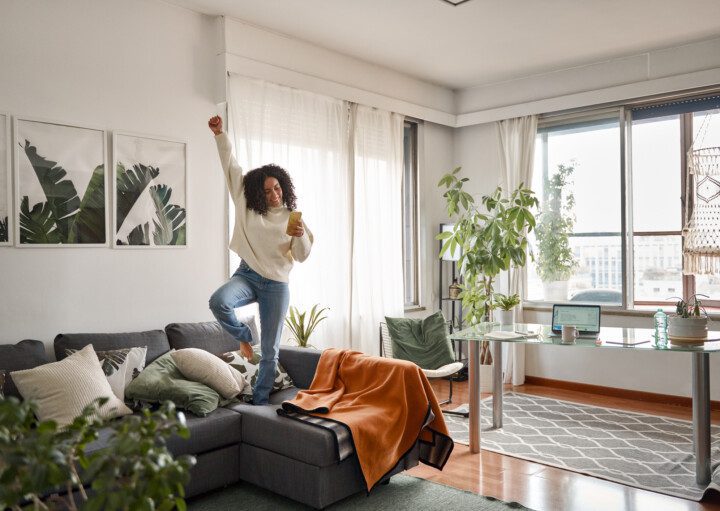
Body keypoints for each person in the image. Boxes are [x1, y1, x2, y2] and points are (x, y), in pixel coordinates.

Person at [207, 115, 313, 405]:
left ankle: (260, 402)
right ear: (257, 192)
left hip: (277, 285)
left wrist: (301, 234)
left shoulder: (292, 217)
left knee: (270, 350)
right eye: (267, 191)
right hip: (248, 275)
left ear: (284, 187)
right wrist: (219, 134)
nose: (274, 195)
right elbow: (231, 166)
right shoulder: (245, 203)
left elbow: (302, 256)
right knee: (219, 301)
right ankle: (243, 335)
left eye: (277, 188)